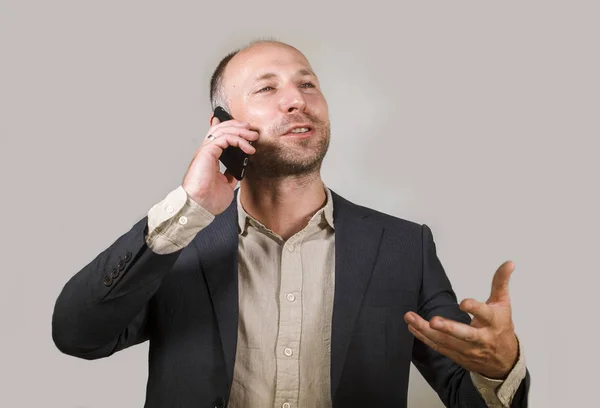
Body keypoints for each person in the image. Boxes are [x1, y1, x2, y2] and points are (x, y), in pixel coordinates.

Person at [52, 40, 530, 408]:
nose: (296, 100)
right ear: (222, 122)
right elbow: (77, 334)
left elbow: (465, 394)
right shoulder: (179, 244)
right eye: (267, 88)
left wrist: (499, 368)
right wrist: (190, 206)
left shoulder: (404, 246)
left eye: (307, 84)